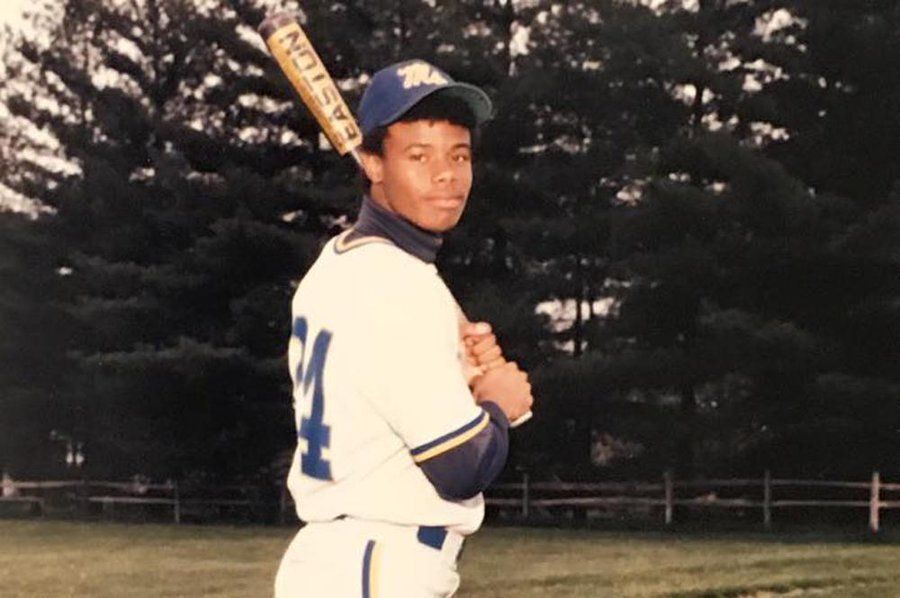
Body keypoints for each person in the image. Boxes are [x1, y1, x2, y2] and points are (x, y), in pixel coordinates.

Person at [274, 58, 533, 598]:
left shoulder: (341, 263)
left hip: (344, 560)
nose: (446, 174)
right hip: (381, 563)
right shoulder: (397, 284)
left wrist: (465, 379)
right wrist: (497, 406)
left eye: (458, 155)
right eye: (418, 155)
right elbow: (460, 466)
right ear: (373, 162)